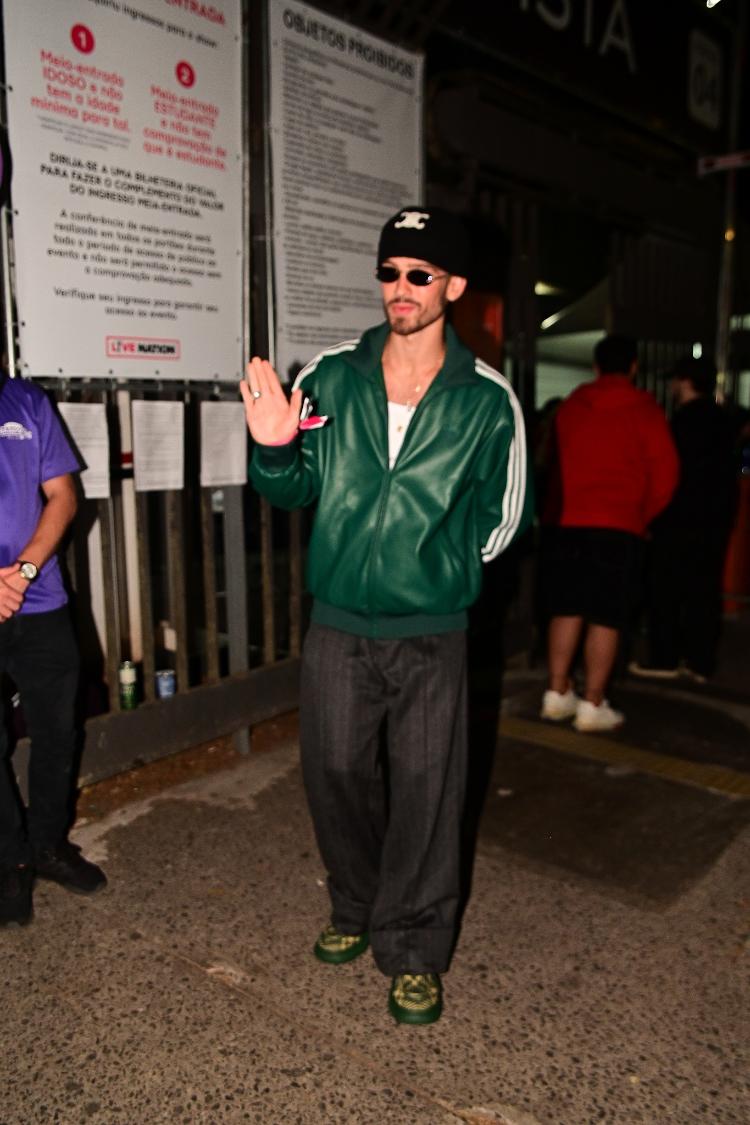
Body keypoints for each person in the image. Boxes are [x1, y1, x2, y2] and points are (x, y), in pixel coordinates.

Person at [241, 206, 530, 1025]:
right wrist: (272, 448)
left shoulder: (485, 399)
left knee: (429, 792)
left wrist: (435, 573)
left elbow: (503, 515)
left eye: (419, 274)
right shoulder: (333, 374)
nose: (399, 289)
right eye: (389, 272)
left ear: (454, 287)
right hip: (336, 622)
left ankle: (414, 944)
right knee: (332, 774)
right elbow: (294, 488)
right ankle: (358, 903)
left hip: (432, 630)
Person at [0, 371, 106, 928]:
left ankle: (45, 843)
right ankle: (8, 858)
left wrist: (20, 573)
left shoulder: (26, 400)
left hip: (40, 599)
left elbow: (63, 496)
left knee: (57, 729)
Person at [539, 334, 679, 731]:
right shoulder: (644, 409)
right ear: (633, 366)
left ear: (596, 367)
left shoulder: (571, 407)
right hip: (617, 526)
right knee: (606, 616)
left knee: (566, 608)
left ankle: (556, 691)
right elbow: (666, 475)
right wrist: (641, 515)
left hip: (567, 523)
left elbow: (553, 461)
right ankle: (593, 703)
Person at [629, 356, 738, 683]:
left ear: (685, 381)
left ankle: (665, 658)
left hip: (677, 520)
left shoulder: (680, 423)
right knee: (704, 590)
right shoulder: (722, 422)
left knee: (666, 591)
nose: (672, 386)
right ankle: (700, 661)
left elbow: (667, 473)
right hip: (714, 520)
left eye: (675, 380)